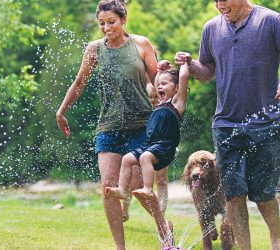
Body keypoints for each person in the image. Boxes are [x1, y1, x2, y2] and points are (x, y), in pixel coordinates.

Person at [175, 0, 280, 249]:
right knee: (234, 196)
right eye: (215, 1)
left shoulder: (271, 21)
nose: (219, 5)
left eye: (224, 0)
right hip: (225, 124)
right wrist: (190, 64)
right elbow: (207, 72)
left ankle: (277, 239)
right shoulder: (211, 28)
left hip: (266, 122)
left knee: (264, 195)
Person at [56, 1, 159, 249]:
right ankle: (120, 247)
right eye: (102, 23)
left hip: (141, 125)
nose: (106, 27)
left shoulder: (141, 44)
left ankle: (163, 226)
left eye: (111, 22)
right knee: (108, 187)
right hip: (109, 126)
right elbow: (79, 82)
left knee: (136, 187)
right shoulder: (94, 50)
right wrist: (61, 111)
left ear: (123, 20)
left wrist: (170, 110)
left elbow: (159, 82)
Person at [105, 60, 189, 249]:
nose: (160, 86)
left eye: (165, 84)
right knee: (127, 158)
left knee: (144, 158)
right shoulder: (158, 104)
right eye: (159, 84)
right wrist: (160, 71)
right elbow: (155, 83)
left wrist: (184, 64)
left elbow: (183, 77)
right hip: (151, 146)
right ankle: (121, 190)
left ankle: (148, 189)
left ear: (176, 89)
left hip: (164, 149)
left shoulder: (176, 105)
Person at [121, 81, 169, 223]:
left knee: (161, 180)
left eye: (157, 97)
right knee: (133, 181)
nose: (154, 100)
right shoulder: (140, 112)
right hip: (140, 145)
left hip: (161, 145)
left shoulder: (167, 108)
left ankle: (161, 214)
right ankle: (125, 209)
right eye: (150, 97)